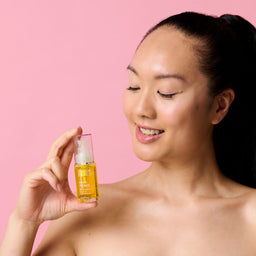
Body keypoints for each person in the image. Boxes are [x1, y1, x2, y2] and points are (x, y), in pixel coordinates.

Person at [1, 11, 256, 255]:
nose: (141, 109)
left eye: (166, 92)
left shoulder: (251, 218)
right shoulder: (87, 210)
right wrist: (24, 222)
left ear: (220, 105)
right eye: (134, 87)